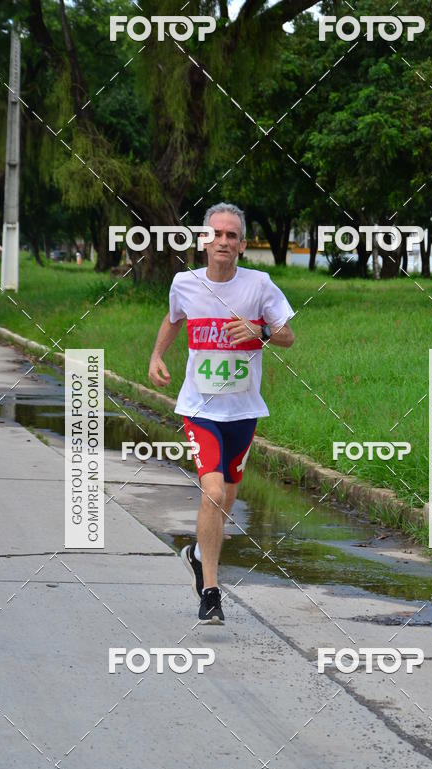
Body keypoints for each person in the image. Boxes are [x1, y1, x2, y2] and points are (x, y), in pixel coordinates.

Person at [148, 202, 295, 624]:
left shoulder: (259, 285)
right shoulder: (185, 283)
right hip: (199, 408)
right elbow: (174, 318)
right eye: (216, 234)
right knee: (212, 492)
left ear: (242, 245)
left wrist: (259, 330)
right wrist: (157, 355)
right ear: (203, 241)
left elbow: (287, 335)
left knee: (227, 499)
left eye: (232, 235)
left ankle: (197, 554)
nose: (223, 241)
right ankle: (210, 592)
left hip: (243, 411)